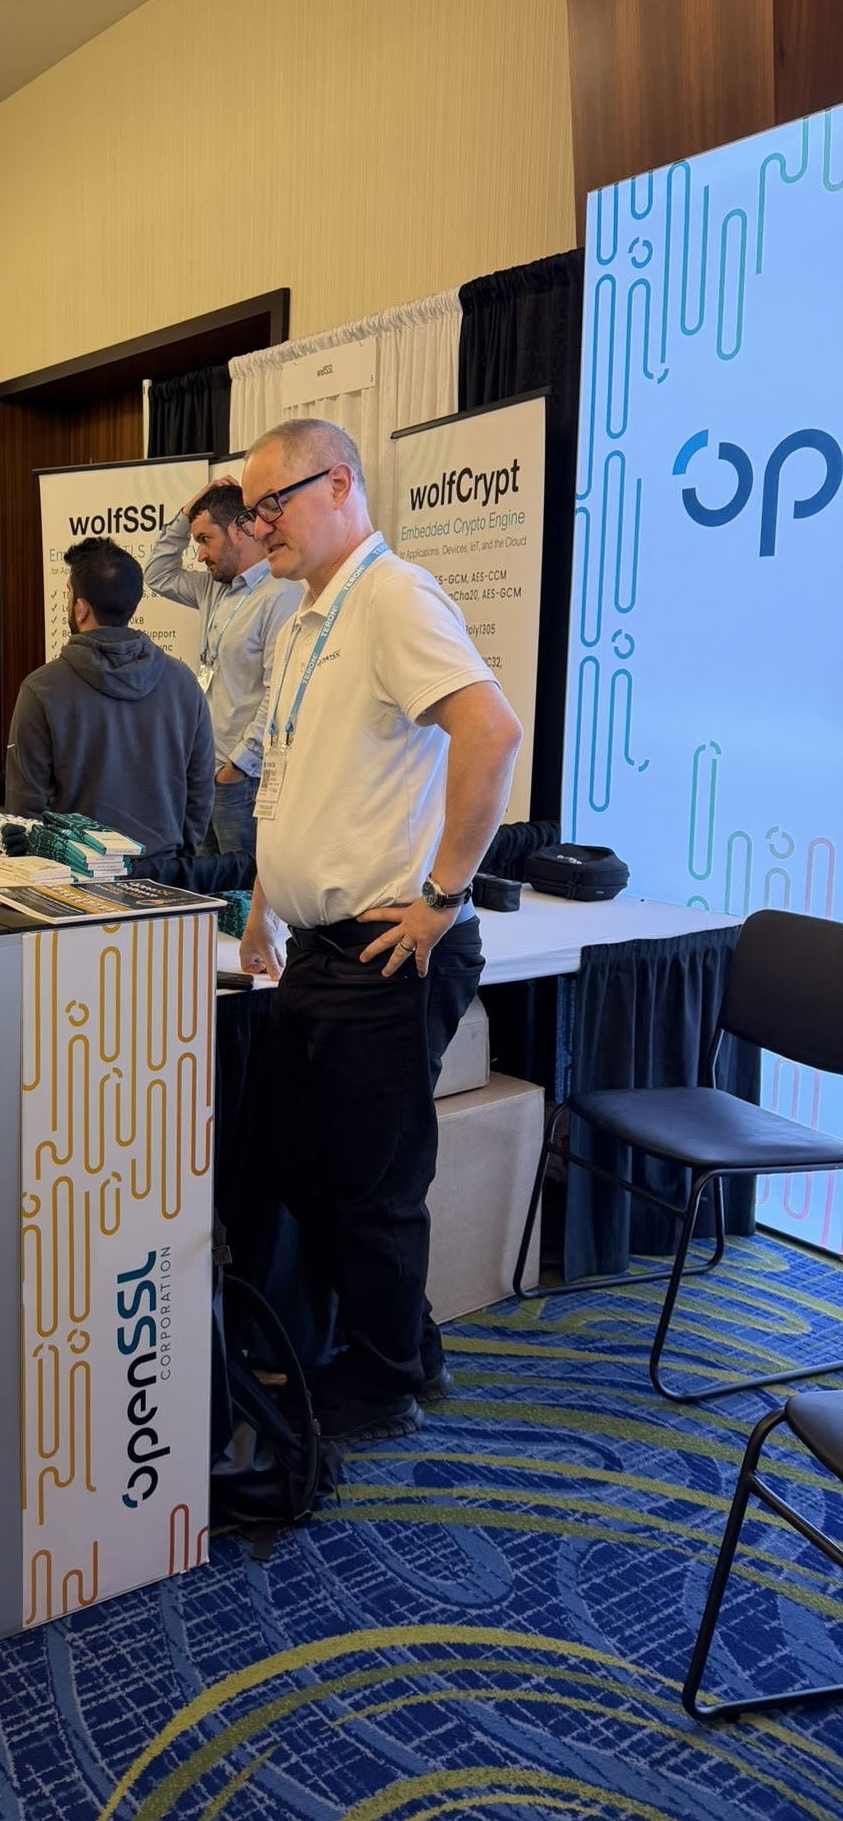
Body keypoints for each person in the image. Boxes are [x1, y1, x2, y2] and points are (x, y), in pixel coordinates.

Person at [236, 418, 522, 1446]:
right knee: (306, 1165)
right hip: (316, 943)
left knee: (374, 1181)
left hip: (387, 945)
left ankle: (387, 1379)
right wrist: (267, 900)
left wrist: (444, 894)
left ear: (342, 484)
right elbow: (293, 773)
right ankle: (411, 1341)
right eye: (252, 506)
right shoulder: (304, 616)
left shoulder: (392, 596)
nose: (257, 521)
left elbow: (492, 731)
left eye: (275, 501)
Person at [5, 536, 214, 870]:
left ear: (80, 607)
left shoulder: (41, 689)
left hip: (72, 879)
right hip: (164, 877)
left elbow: (25, 807)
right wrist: (174, 855)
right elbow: (201, 788)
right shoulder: (183, 683)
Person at [143, 478, 301, 856]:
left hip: (243, 781)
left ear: (241, 529)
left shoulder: (281, 595)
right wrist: (191, 509)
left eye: (205, 540)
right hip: (205, 774)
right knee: (208, 895)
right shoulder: (214, 586)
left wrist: (239, 767)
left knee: (241, 898)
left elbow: (278, 693)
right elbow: (156, 573)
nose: (199, 555)